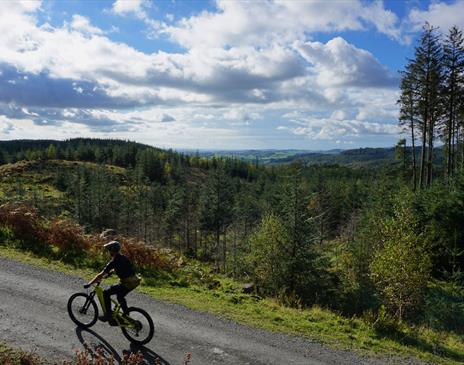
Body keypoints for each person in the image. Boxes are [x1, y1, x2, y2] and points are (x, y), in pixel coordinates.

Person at [85, 240, 140, 322]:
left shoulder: (113, 262)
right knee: (120, 296)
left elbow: (100, 275)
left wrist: (90, 283)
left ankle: (108, 315)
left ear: (112, 251)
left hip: (127, 283)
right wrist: (110, 273)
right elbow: (122, 268)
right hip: (135, 281)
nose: (108, 252)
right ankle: (126, 314)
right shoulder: (123, 257)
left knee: (106, 293)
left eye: (109, 250)